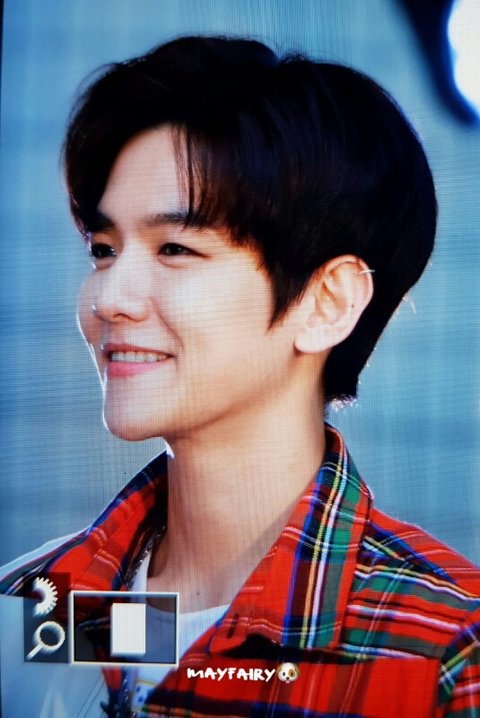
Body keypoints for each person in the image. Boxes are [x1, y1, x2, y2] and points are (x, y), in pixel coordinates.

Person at [1, 35, 479, 718]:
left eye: (174, 248)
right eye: (103, 250)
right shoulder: (29, 605)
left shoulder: (445, 650)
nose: (109, 298)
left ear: (327, 302)